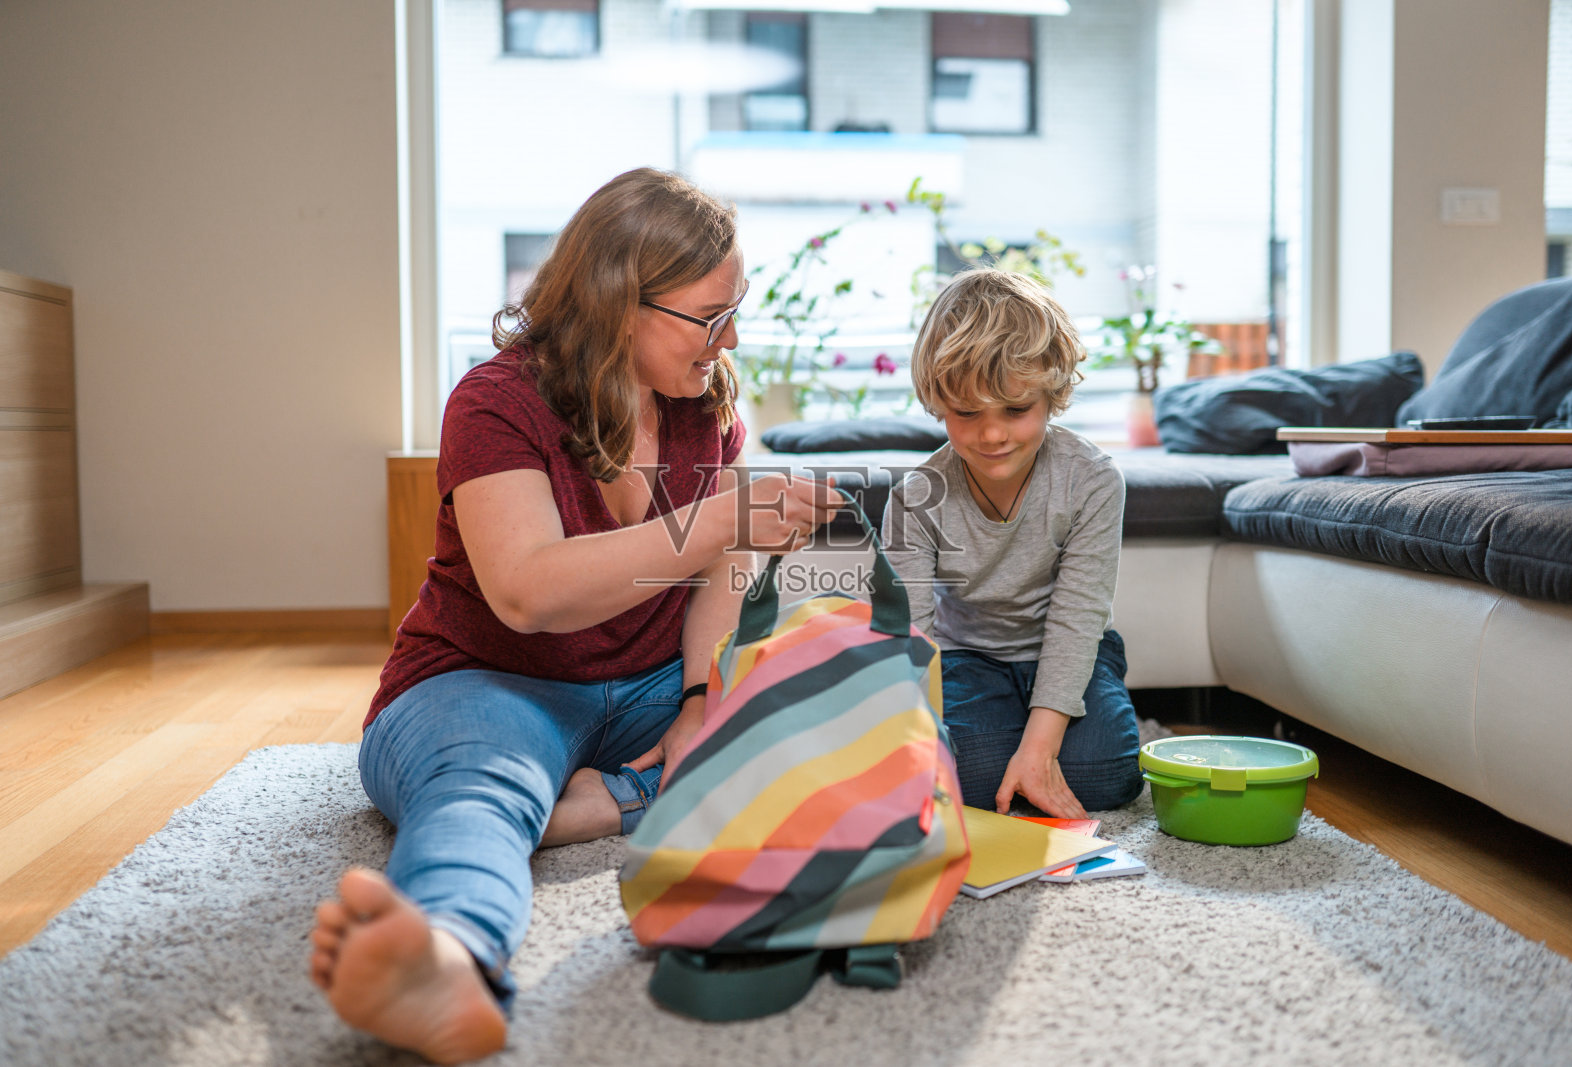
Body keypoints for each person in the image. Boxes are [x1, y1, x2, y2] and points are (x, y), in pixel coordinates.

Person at [307, 168, 842, 1064]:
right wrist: (714, 517)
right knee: (476, 793)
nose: (732, 336)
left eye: (736, 308)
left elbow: (722, 571)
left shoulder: (705, 399)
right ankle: (451, 958)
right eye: (710, 317)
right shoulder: (496, 401)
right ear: (617, 303)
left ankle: (603, 799)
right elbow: (527, 592)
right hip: (487, 680)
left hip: (649, 682)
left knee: (816, 728)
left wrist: (702, 701)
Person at [881, 269, 1143, 822]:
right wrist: (926, 747)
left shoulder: (1092, 480)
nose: (993, 435)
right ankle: (1010, 750)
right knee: (967, 776)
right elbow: (913, 638)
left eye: (1016, 410)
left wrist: (1040, 747)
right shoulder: (916, 497)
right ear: (937, 403)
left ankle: (1040, 738)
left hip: (1068, 650)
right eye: (968, 413)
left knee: (1108, 774)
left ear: (1051, 397)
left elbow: (1077, 619)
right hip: (966, 657)